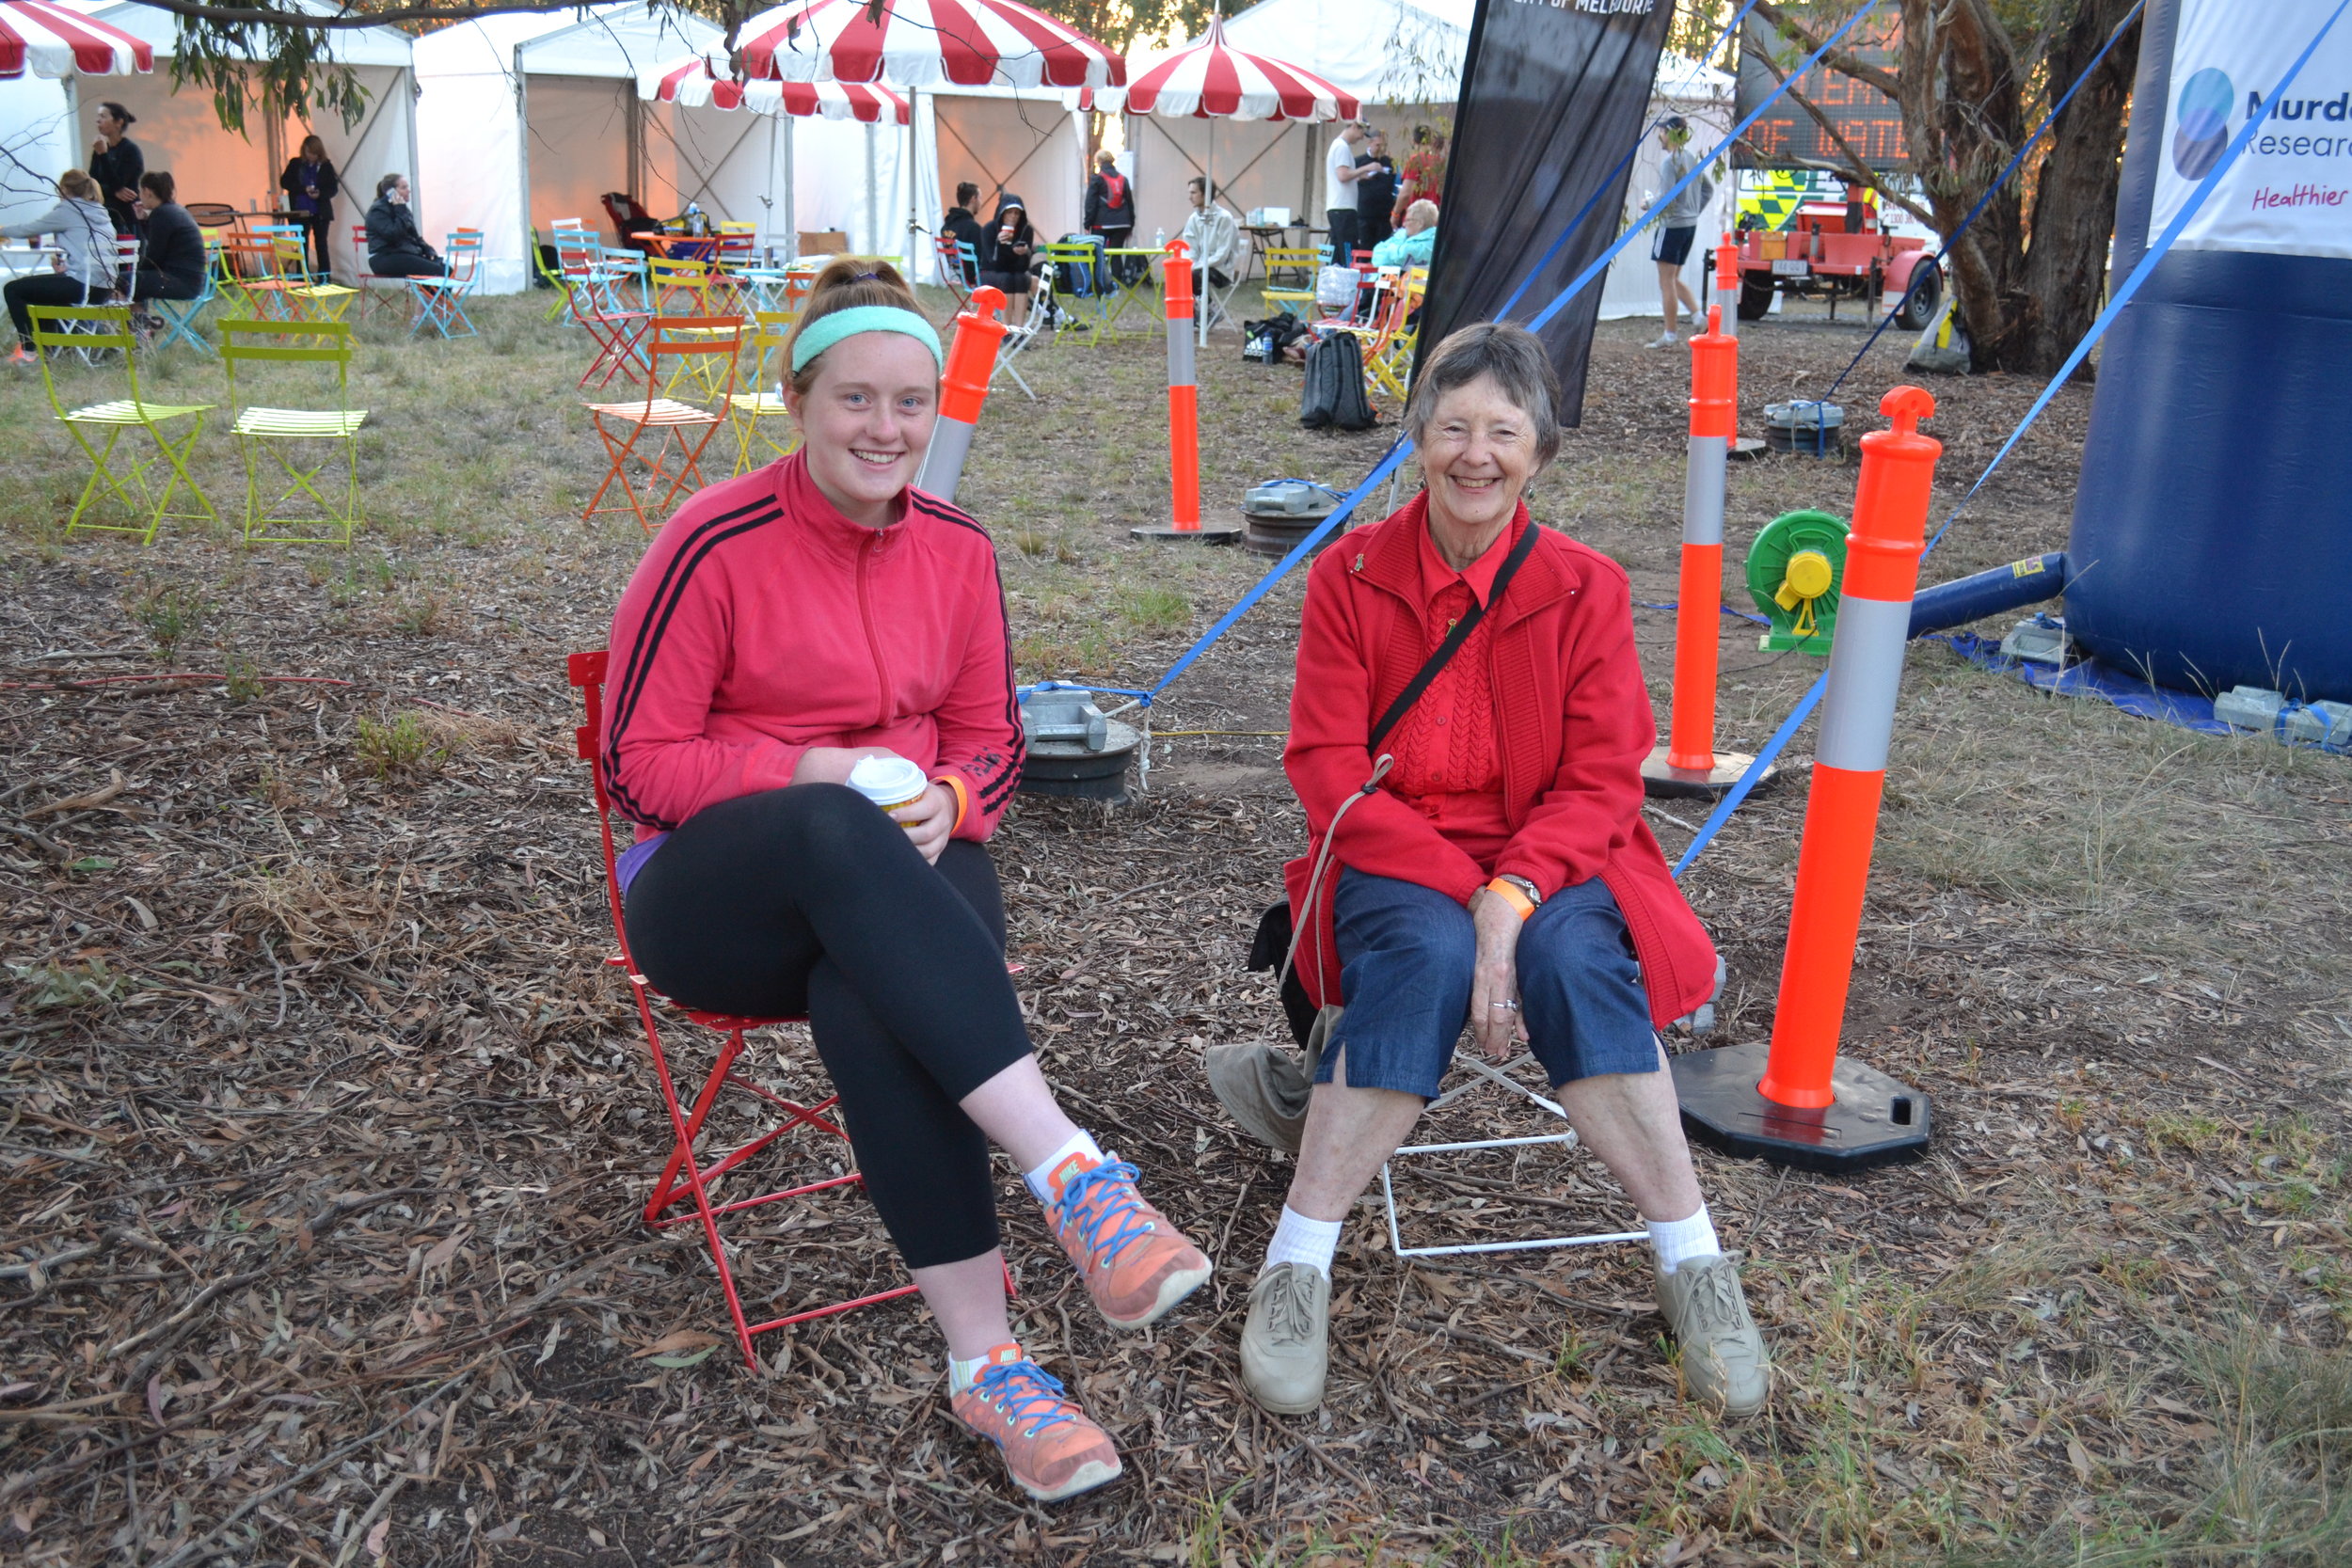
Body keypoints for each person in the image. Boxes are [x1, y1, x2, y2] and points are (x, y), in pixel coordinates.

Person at [601, 258, 1213, 1504]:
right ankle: (1073, 1174)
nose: (887, 429)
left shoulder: (957, 548)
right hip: (713, 897)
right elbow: (637, 758)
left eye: (912, 404)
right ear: (797, 400)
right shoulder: (713, 538)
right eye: (856, 400)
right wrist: (812, 767)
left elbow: (992, 732)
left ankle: (990, 1366)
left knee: (878, 996)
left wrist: (956, 799)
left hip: (904, 874)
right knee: (834, 829)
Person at [1238, 321, 1769, 1424]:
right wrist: (1463, 887)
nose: (1475, 454)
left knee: (1578, 959)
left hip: (1556, 852)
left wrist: (1513, 889)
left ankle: (1694, 1263)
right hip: (1397, 845)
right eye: (1451, 428)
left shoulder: (1586, 586)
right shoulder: (1349, 575)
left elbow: (1603, 778)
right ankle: (1298, 1262)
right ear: (1415, 440)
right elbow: (1327, 766)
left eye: (1504, 432)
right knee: (1424, 956)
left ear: (1540, 450)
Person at [3, 170, 118, 364]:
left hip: (84, 285)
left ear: (64, 189)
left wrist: (3, 230)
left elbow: (28, 230)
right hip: (104, 287)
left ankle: (29, 351)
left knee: (13, 289)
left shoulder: (69, 210)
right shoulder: (99, 211)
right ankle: (48, 347)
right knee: (42, 293)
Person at [1649, 117, 1708, 347]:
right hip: (1688, 226)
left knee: (1666, 281)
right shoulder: (1692, 158)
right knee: (1674, 278)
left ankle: (1670, 334)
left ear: (1670, 134)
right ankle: (1698, 317)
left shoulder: (1670, 162)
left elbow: (1666, 198)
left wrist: (1648, 204)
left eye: (1662, 132)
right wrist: (1692, 211)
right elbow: (1708, 190)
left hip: (1671, 226)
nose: (1659, 136)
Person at [125, 173, 206, 322]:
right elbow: (158, 246)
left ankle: (139, 327)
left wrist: (135, 273)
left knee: (122, 281)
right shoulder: (174, 210)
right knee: (133, 281)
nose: (140, 196)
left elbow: (154, 257)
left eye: (140, 192)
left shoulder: (162, 214)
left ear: (148, 191)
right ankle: (142, 326)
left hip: (180, 281)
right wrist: (143, 221)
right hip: (192, 280)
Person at [278, 134, 341, 278]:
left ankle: (324, 277)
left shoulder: (326, 166)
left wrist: (319, 194)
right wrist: (302, 189)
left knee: (321, 244)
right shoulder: (295, 164)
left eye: (315, 153)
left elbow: (333, 188)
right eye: (309, 153)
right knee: (302, 243)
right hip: (300, 210)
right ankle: (302, 276)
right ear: (303, 150)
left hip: (320, 211)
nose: (312, 156)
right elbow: (285, 182)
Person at [976, 193, 1042, 320]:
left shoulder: (1025, 230)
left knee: (1021, 278)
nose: (1013, 216)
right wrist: (999, 244)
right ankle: (1006, 328)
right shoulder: (990, 229)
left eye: (1017, 213)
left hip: (1015, 271)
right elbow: (992, 262)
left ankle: (1018, 329)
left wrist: (1024, 253)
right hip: (990, 271)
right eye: (1009, 212)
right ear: (1002, 213)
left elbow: (1023, 267)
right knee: (1007, 278)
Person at [365, 173, 444, 278]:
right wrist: (400, 210)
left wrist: (427, 249)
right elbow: (393, 235)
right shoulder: (378, 210)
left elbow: (414, 236)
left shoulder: (402, 209)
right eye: (404, 187)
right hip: (384, 257)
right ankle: (433, 295)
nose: (408, 190)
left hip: (403, 253)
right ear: (391, 192)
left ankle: (431, 295)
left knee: (446, 269)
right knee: (436, 271)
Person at [1181, 176, 1240, 308]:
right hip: (1200, 266)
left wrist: (1197, 266)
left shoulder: (1224, 218)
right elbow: (1190, 248)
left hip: (1222, 269)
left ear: (1205, 194)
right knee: (1179, 274)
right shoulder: (1193, 219)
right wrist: (1191, 264)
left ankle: (1208, 309)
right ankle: (1192, 313)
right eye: (1189, 193)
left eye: (1193, 193)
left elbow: (1222, 255)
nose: (1190, 197)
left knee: (1194, 275)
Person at [1083, 150, 1139, 285]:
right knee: (1116, 254)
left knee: (1098, 254)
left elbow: (1090, 203)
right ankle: (1116, 283)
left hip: (1101, 223)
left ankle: (1099, 283)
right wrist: (1131, 224)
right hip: (1123, 223)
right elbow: (1130, 204)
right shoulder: (1123, 179)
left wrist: (1087, 224)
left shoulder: (1097, 179)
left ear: (1100, 162)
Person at [88, 102, 143, 235]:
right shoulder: (99, 149)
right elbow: (92, 184)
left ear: (118, 122)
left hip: (125, 217)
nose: (98, 120)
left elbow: (119, 183)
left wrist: (103, 155)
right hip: (103, 215)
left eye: (103, 116)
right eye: (98, 117)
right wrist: (114, 191)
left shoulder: (130, 150)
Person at [1323, 120, 1368, 262]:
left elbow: (1344, 177)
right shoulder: (1341, 147)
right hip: (1343, 209)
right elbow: (1342, 175)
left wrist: (1358, 177)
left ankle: (1335, 281)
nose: (1361, 138)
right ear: (1354, 126)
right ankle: (1349, 280)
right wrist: (1367, 168)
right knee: (1348, 251)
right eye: (1361, 133)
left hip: (1338, 207)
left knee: (1337, 251)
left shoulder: (1339, 146)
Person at [1392, 125, 1447, 226]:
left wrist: (1395, 213)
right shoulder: (1442, 162)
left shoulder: (1416, 160)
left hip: (1416, 218)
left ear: (1413, 141)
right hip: (1435, 217)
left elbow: (1406, 194)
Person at [1354, 131, 1397, 252]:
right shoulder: (1358, 162)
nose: (1380, 149)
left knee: (1382, 251)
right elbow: (1349, 179)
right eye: (1378, 145)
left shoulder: (1389, 162)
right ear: (1370, 143)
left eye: (1383, 146)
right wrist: (1363, 175)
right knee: (1365, 250)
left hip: (1384, 215)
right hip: (1365, 214)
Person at [941, 181, 988, 286]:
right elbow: (981, 260)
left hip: (952, 275)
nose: (981, 202)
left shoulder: (946, 226)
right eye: (980, 198)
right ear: (973, 199)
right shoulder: (974, 228)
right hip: (971, 279)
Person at [1370, 198, 1437, 270]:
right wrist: (1395, 252)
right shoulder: (1402, 233)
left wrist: (1389, 249)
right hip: (1385, 277)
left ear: (1420, 223)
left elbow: (1402, 255)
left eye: (1408, 220)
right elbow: (1377, 253)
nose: (1404, 224)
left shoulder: (1431, 242)